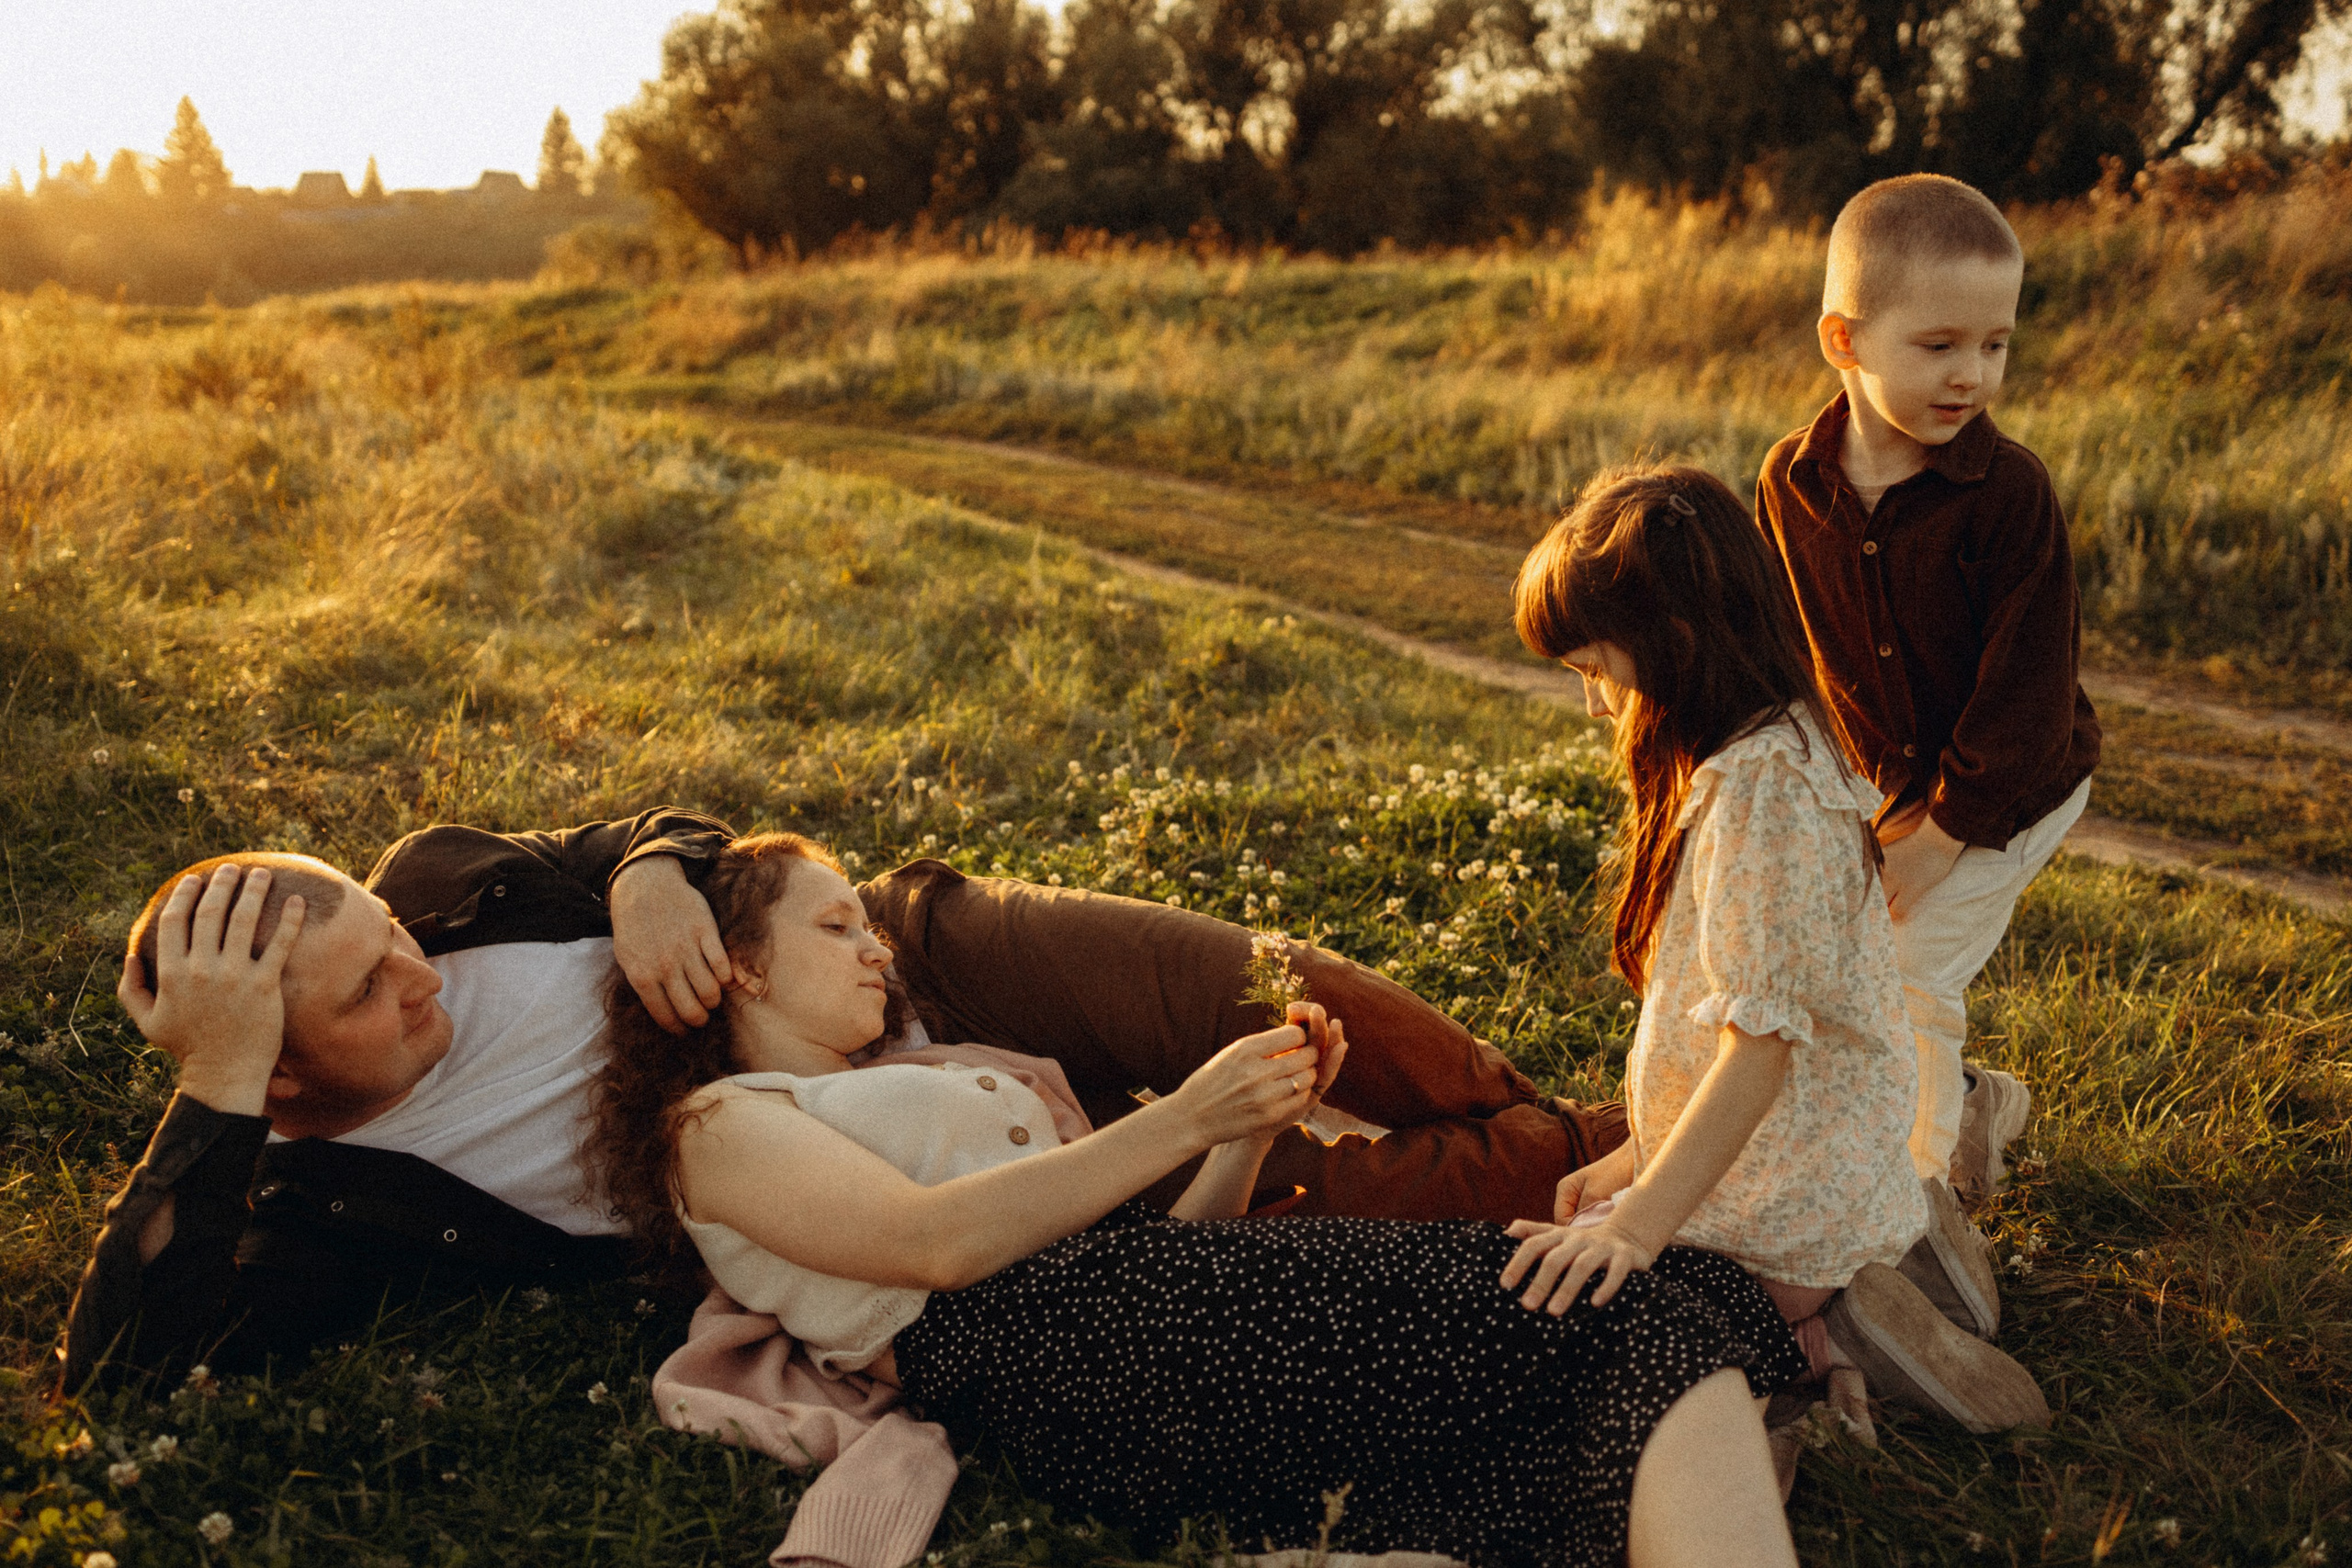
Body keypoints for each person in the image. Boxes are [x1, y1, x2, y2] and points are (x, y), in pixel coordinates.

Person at [61, 809, 1626, 1388]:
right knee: (1317, 1190)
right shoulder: (315, 1203)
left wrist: (652, 873)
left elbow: (660, 822)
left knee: (1271, 991)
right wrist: (206, 1098)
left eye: (394, 942)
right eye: (368, 995)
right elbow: (126, 1365)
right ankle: (1622, 1153)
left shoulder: (443, 893)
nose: (422, 982)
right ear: (264, 1071)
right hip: (897, 1134)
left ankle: (1616, 1132)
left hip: (901, 954)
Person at [596, 829, 1809, 1568]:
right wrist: (1183, 1112)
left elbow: (1167, 1256)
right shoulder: (718, 1124)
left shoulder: (916, 1073)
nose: (878, 946)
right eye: (837, 922)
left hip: (1127, 1323)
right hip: (1042, 1360)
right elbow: (938, 1244)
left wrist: (1249, 1129)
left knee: (1653, 1306)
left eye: (872, 921)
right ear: (740, 960)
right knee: (1633, 1307)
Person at [1510, 464, 2048, 1435]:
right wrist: (1640, 1152)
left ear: (1672, 641)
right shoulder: (1780, 743)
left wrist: (1637, 1218)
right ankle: (1892, 1269)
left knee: (1591, 1283)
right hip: (1821, 1162)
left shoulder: (1763, 797)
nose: (1594, 704)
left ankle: (1828, 1349)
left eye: (1597, 670)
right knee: (1591, 1233)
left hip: (1787, 1198)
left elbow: (1759, 1050)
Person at [1754, 174, 2100, 1212]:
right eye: (1939, 345)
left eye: (1994, 344)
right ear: (1843, 341)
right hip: (1892, 777)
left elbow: (2028, 689)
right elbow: (1789, 646)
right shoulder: (1791, 482)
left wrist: (1946, 831)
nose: (1972, 376)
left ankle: (1904, 1222)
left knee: (1908, 972)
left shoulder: (2008, 495)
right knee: (1843, 963)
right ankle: (1974, 1106)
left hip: (2015, 780)